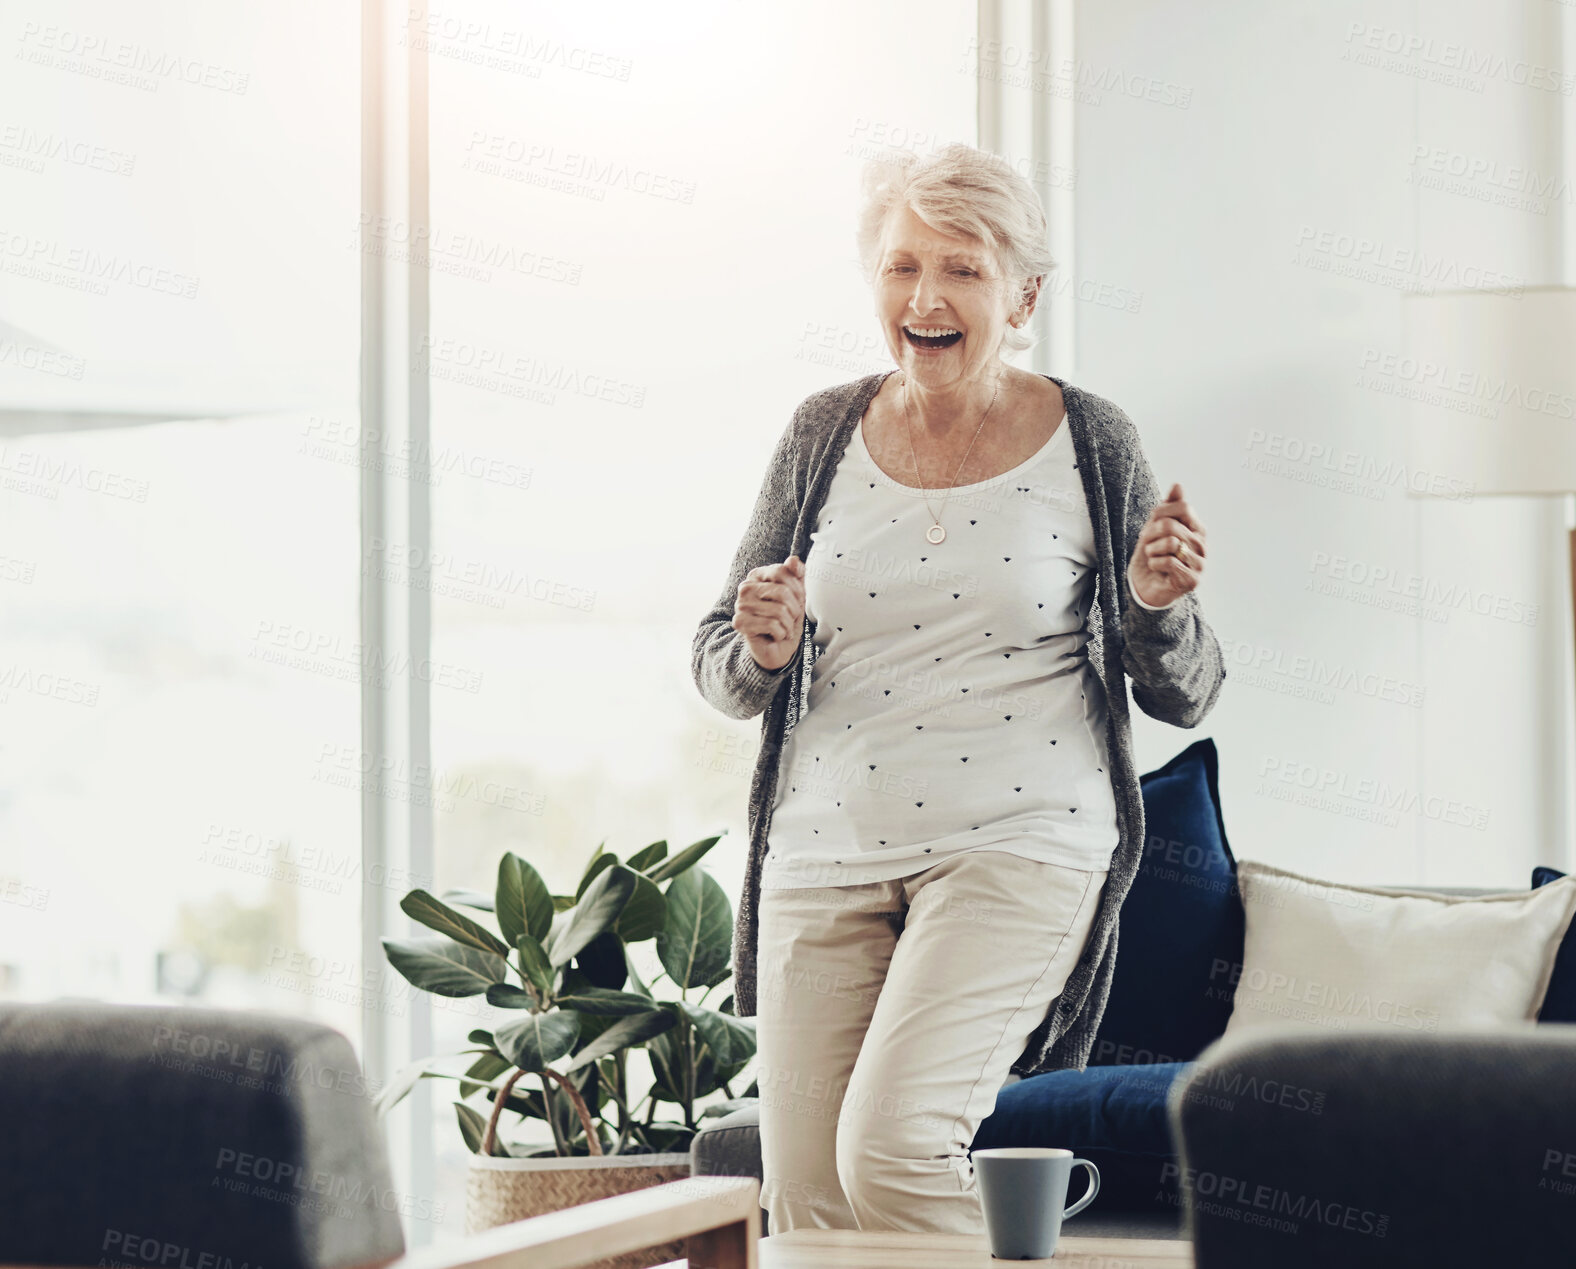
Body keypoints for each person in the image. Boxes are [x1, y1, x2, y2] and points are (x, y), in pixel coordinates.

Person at [690, 142, 1226, 1235]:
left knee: (891, 1153)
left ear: (1023, 294)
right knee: (805, 1203)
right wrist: (763, 644)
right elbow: (723, 661)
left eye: (963, 270)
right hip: (820, 853)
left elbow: (1183, 693)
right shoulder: (821, 431)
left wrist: (1153, 605)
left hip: (1020, 844)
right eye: (900, 267)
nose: (925, 298)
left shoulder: (1089, 440)